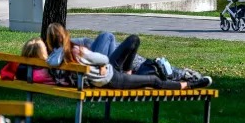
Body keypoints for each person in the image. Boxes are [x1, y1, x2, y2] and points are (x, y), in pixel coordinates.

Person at [44, 23, 212, 90]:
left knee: (130, 40)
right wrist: (101, 64)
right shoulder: (75, 51)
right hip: (110, 78)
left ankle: (130, 72)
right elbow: (101, 59)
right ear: (65, 35)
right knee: (153, 81)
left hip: (107, 75)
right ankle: (188, 85)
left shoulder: (54, 57)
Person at [71, 32, 204, 82]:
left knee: (107, 38)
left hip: (105, 69)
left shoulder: (60, 52)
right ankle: (181, 74)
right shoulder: (62, 54)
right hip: (104, 73)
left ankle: (180, 73)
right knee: (147, 65)